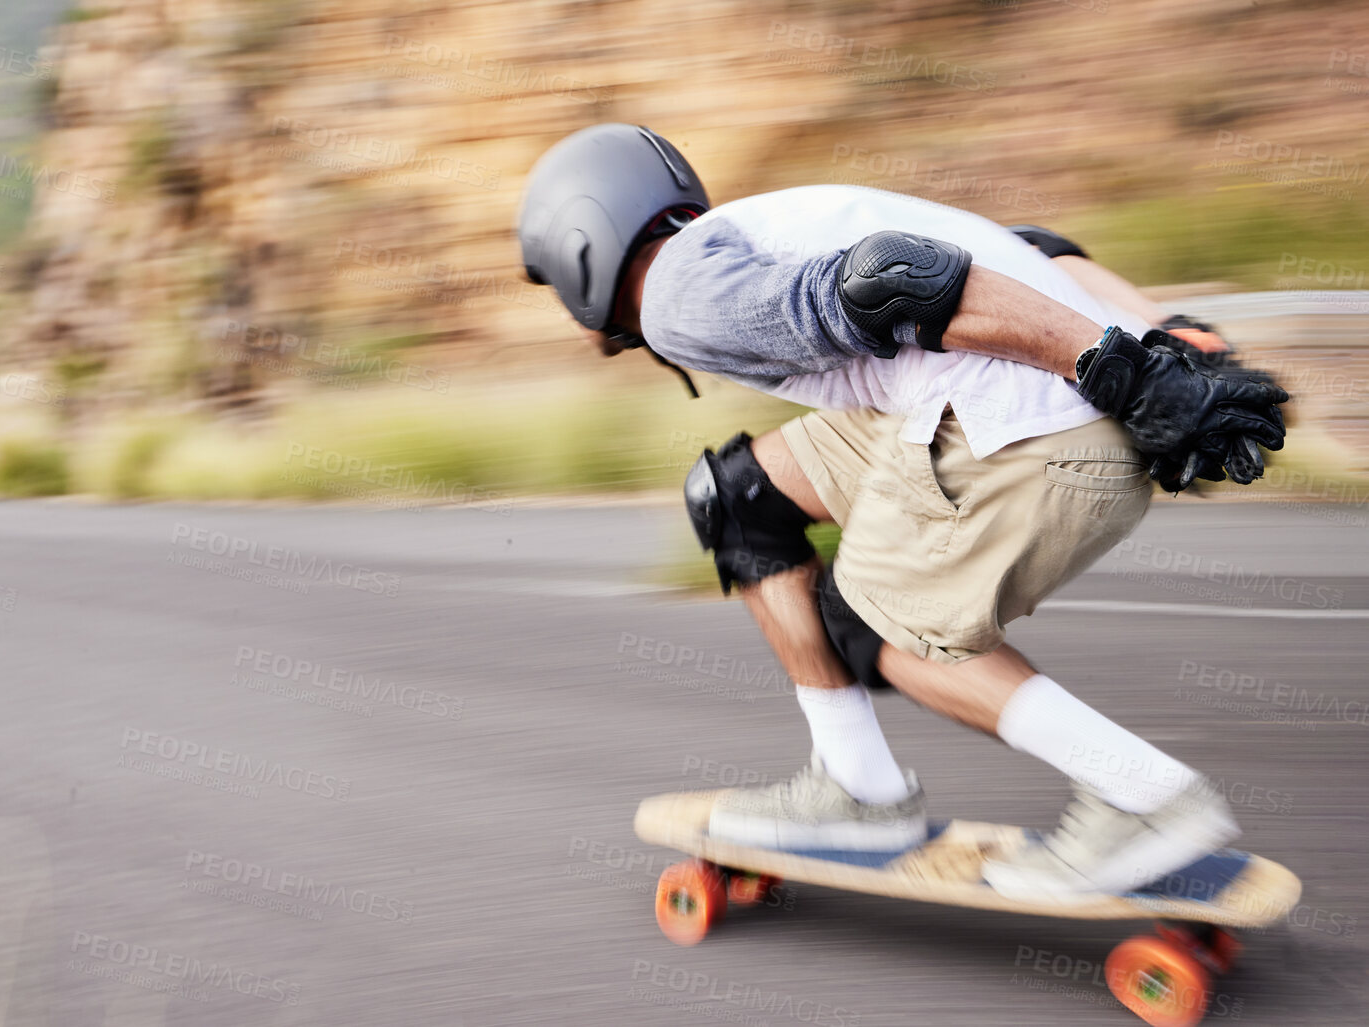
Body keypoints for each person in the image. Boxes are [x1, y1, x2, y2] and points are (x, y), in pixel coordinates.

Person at [515, 123, 1291, 899]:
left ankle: (1143, 797)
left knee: (874, 624)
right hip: (1037, 409)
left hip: (1037, 437)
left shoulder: (678, 297)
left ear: (582, 251)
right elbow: (1037, 247)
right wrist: (1169, 345)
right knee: (740, 497)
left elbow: (898, 281)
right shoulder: (755, 228)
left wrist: (1120, 370)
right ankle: (856, 788)